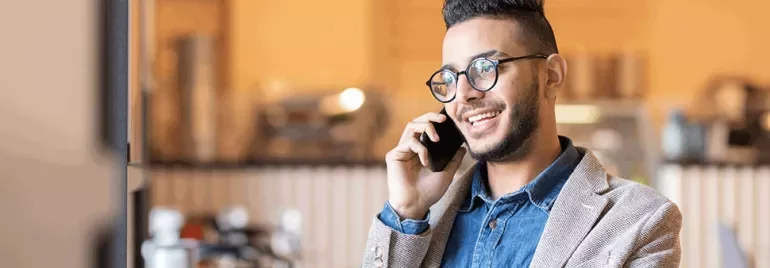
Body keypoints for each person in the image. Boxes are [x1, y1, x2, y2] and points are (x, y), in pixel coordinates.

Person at [361, 0, 682, 267]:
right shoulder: (420, 223)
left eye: (486, 68)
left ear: (552, 76)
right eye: (450, 76)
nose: (463, 95)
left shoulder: (640, 220)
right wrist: (405, 212)